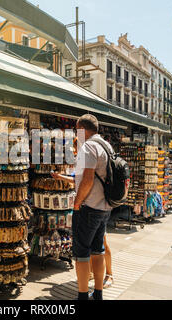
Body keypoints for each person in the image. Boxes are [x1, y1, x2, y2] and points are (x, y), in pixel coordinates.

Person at [71, 114, 115, 300]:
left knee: (81, 254)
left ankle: (82, 296)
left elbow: (87, 179)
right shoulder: (106, 145)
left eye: (76, 130)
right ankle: (98, 293)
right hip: (104, 207)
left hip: (89, 207)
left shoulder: (89, 146)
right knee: (98, 251)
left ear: (82, 129)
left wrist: (77, 203)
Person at [51, 172, 114, 289]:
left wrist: (77, 204)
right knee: (95, 247)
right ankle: (92, 278)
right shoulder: (85, 162)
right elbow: (77, 179)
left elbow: (87, 180)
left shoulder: (91, 157)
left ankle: (109, 275)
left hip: (95, 208)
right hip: (95, 208)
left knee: (101, 245)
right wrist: (60, 177)